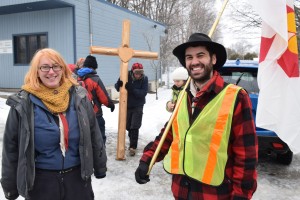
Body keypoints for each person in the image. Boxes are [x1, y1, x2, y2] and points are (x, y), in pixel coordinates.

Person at [134, 33, 258, 200]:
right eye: (189, 57)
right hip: (182, 191)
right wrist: (147, 159)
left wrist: (241, 195)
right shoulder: (183, 96)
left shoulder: (236, 97)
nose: (194, 62)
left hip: (215, 194)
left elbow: (246, 155)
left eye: (201, 55)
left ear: (213, 59)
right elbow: (169, 134)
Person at [1, 48, 107, 200]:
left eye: (56, 66)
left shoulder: (79, 97)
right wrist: (10, 186)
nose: (51, 72)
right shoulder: (23, 104)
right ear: (36, 71)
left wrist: (100, 166)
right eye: (44, 67)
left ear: (63, 69)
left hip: (78, 181)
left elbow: (94, 134)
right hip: (41, 184)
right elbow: (11, 149)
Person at [77, 55, 115, 145]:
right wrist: (110, 104)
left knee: (86, 140)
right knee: (99, 138)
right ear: (93, 67)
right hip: (95, 113)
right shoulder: (95, 79)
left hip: (81, 114)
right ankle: (100, 157)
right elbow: (104, 98)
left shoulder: (77, 78)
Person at [114, 63, 148, 156]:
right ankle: (131, 142)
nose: (138, 75)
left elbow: (143, 93)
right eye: (136, 73)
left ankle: (133, 147)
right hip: (127, 105)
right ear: (133, 72)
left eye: (140, 73)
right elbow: (117, 87)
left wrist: (132, 89)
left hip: (138, 105)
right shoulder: (125, 75)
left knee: (134, 126)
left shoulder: (144, 79)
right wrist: (119, 85)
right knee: (128, 126)